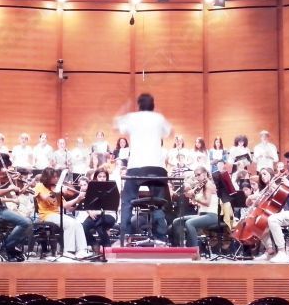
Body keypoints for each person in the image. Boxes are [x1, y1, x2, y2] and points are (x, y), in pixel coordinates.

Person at [116, 93, 171, 242]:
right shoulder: (159, 118)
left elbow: (118, 126)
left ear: (138, 105)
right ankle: (161, 237)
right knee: (159, 202)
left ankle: (125, 235)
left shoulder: (132, 117)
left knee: (127, 201)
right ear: (153, 104)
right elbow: (169, 132)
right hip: (157, 168)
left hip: (137, 167)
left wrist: (124, 109)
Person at [34, 167, 89, 256]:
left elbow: (66, 206)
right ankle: (68, 251)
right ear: (47, 177)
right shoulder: (39, 186)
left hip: (57, 214)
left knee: (77, 223)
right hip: (46, 215)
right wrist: (58, 192)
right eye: (54, 177)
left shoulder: (56, 188)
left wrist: (78, 198)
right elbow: (45, 198)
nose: (56, 179)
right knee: (69, 224)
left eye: (57, 177)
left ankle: (82, 250)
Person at [170, 166, 220, 249]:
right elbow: (201, 202)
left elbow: (207, 203)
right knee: (177, 221)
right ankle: (178, 247)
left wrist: (195, 197)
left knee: (189, 223)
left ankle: (193, 249)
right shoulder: (202, 185)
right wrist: (194, 200)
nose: (197, 177)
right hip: (203, 214)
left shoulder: (208, 185)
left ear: (205, 174)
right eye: (196, 175)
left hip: (212, 215)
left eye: (198, 175)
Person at [81, 168, 117, 250]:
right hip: (94, 214)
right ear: (96, 177)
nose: (102, 178)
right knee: (83, 228)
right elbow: (87, 204)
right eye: (100, 176)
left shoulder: (112, 188)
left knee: (99, 226)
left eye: (104, 176)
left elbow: (113, 206)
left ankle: (107, 247)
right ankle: (94, 244)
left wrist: (98, 212)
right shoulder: (91, 188)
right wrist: (90, 212)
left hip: (108, 214)